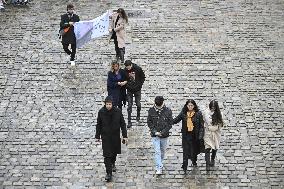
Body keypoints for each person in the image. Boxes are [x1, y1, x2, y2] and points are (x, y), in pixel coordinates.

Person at [95, 96, 128, 182]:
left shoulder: (118, 111)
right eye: (107, 104)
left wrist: (125, 136)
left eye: (110, 104)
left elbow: (123, 124)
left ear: (112, 104)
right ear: (105, 104)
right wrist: (97, 136)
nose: (108, 106)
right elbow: (98, 124)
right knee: (107, 155)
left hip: (115, 136)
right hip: (105, 137)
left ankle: (113, 163)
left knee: (114, 153)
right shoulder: (101, 112)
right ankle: (108, 173)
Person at [173, 99, 204, 174]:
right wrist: (167, 120)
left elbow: (201, 126)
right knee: (185, 151)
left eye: (191, 105)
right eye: (189, 105)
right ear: (186, 106)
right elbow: (175, 120)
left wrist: (200, 135)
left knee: (193, 151)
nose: (190, 107)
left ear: (194, 106)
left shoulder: (198, 114)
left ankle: (194, 161)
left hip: (194, 136)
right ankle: (185, 166)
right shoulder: (183, 113)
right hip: (186, 135)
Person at [147, 96, 173, 175]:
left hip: (164, 135)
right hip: (155, 135)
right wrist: (155, 132)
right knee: (157, 151)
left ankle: (160, 163)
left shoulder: (168, 111)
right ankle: (159, 167)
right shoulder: (151, 110)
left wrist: (163, 132)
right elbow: (149, 122)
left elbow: (170, 124)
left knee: (162, 151)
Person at [124, 60, 145, 128]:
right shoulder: (124, 70)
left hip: (137, 90)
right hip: (129, 90)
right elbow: (124, 79)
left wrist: (139, 85)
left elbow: (143, 77)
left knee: (138, 104)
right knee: (129, 105)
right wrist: (127, 85)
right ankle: (129, 121)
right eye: (127, 67)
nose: (128, 68)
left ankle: (138, 115)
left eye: (129, 67)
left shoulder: (138, 69)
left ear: (131, 65)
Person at [203, 100, 223, 171]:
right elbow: (204, 122)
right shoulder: (206, 113)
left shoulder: (218, 114)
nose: (212, 109)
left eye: (214, 108)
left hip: (216, 134)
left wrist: (212, 128)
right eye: (212, 107)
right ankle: (207, 164)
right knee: (207, 148)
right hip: (207, 134)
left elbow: (220, 125)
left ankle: (212, 159)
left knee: (214, 148)